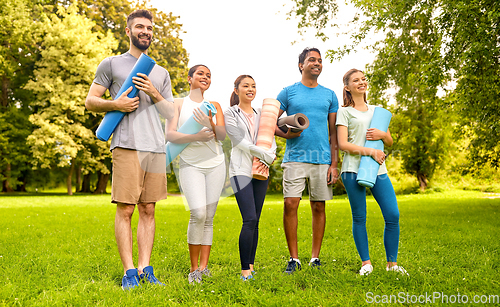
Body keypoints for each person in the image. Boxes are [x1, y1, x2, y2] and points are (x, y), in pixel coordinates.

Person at [85, 9, 174, 290]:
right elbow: (90, 101)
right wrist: (116, 105)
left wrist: (154, 92)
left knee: (149, 208)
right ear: (128, 31)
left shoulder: (160, 72)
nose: (145, 31)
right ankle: (129, 272)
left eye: (149, 27)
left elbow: (170, 111)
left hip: (155, 148)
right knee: (126, 209)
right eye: (139, 27)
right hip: (125, 145)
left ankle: (146, 268)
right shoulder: (111, 64)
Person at [336, 68, 407, 276]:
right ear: (347, 87)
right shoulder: (344, 112)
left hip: (378, 170)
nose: (361, 82)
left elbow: (390, 141)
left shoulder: (378, 111)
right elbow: (342, 144)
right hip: (352, 170)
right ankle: (366, 264)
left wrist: (383, 134)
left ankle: (392, 264)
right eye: (356, 80)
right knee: (360, 217)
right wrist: (371, 150)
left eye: (363, 79)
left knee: (393, 214)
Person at [275, 47, 339, 273]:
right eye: (312, 60)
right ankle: (294, 259)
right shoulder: (288, 93)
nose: (317, 63)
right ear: (301, 65)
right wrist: (287, 134)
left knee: (318, 206)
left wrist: (334, 163)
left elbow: (333, 133)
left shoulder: (330, 95)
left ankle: (314, 258)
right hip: (295, 158)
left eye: (320, 61)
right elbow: (270, 122)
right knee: (290, 203)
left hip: (322, 159)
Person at [165, 64, 226, 284]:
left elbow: (221, 135)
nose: (205, 77)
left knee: (209, 217)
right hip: (190, 164)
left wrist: (209, 122)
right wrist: (196, 136)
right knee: (198, 213)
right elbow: (170, 135)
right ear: (189, 78)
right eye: (200, 73)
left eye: (209, 75)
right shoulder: (177, 103)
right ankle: (193, 270)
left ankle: (204, 267)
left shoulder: (215, 105)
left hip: (216, 164)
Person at [224, 75, 277, 281]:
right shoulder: (230, 113)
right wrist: (263, 153)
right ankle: (244, 270)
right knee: (249, 219)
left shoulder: (262, 113)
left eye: (253, 86)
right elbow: (238, 140)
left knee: (256, 221)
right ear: (236, 90)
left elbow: (269, 136)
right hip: (240, 171)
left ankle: (252, 265)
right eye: (245, 86)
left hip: (261, 170)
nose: (250, 89)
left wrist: (270, 153)